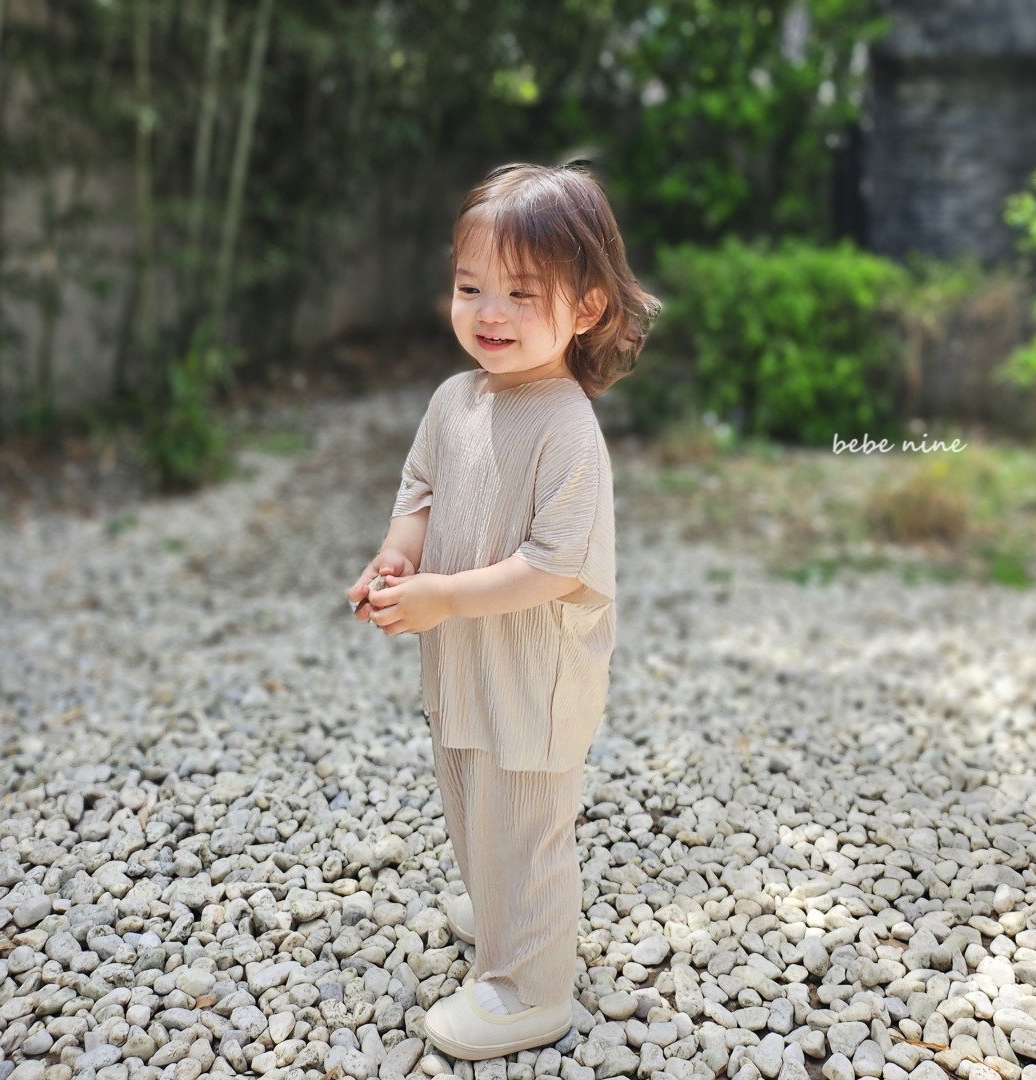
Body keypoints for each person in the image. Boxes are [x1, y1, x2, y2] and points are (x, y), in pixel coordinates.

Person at [345, 160, 660, 1061]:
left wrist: (443, 596)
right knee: (470, 792)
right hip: (464, 655)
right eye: (471, 287)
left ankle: (530, 988)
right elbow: (419, 488)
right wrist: (401, 554)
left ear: (587, 308)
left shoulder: (567, 427)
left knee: (523, 817)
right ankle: (500, 911)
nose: (491, 312)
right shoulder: (455, 400)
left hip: (533, 670)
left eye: (522, 293)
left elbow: (555, 566)